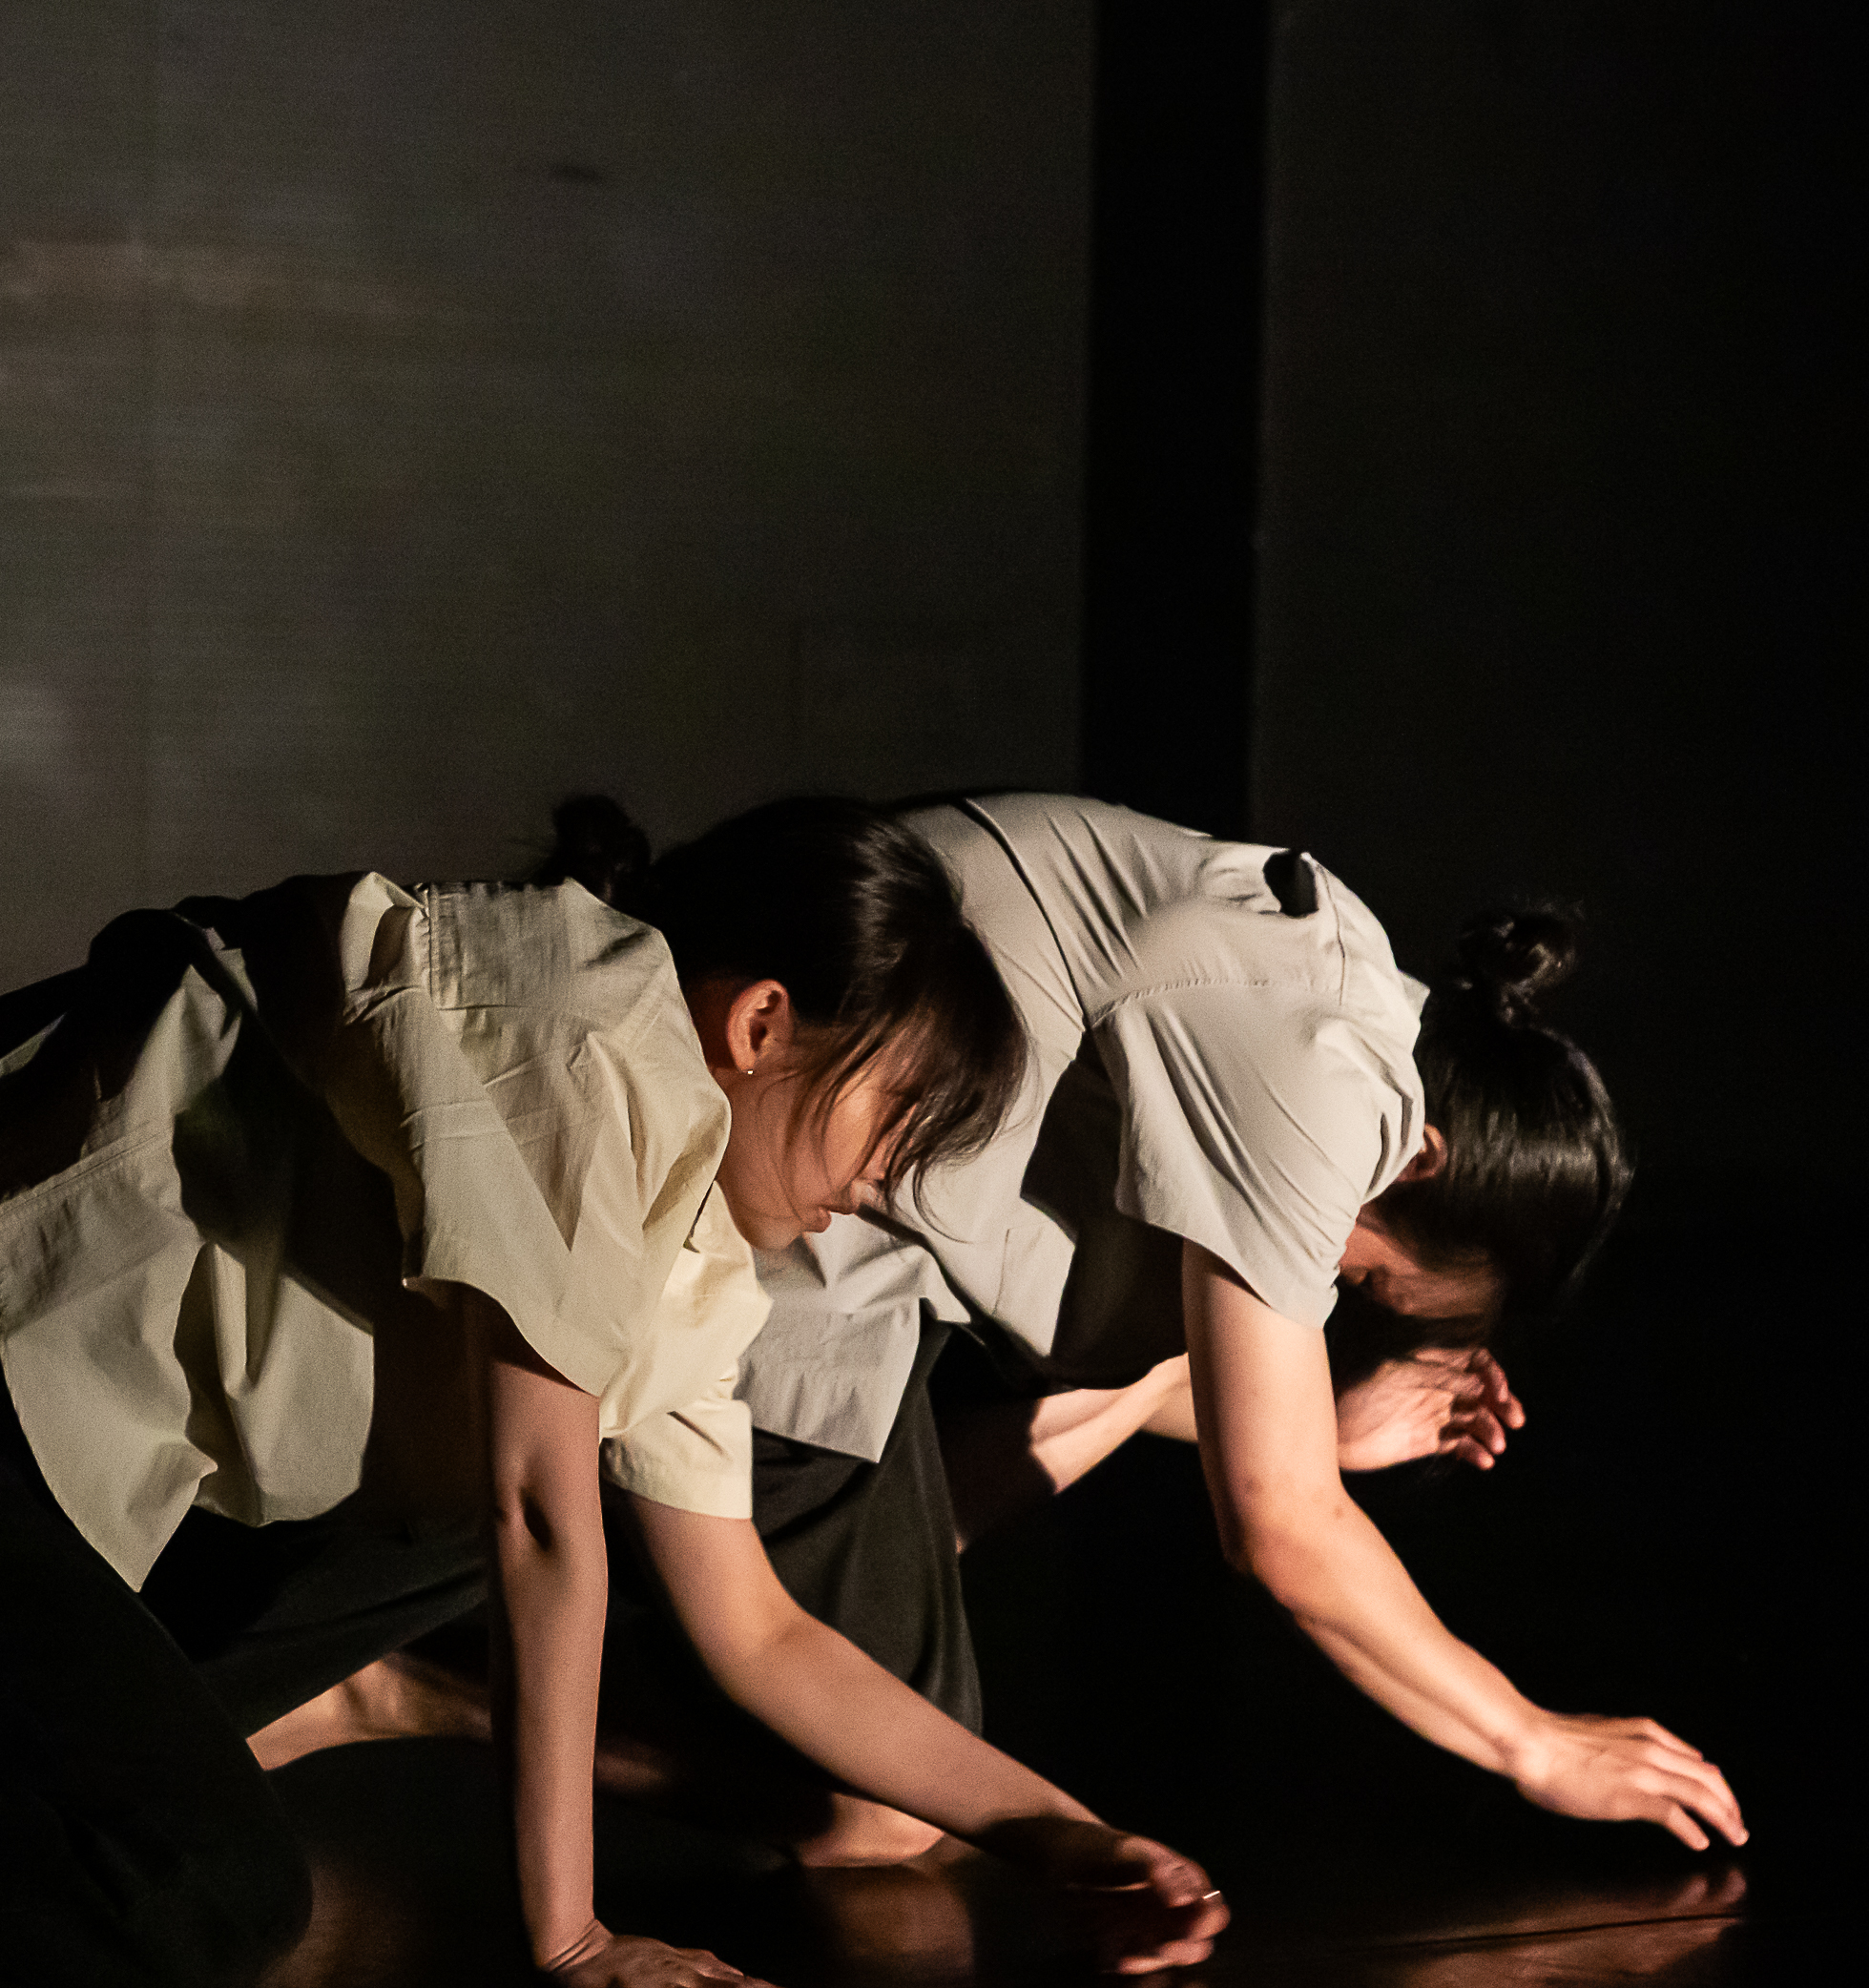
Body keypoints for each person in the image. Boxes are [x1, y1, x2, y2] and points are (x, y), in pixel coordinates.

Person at [0, 798, 1228, 1988]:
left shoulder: (688, 1251)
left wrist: (1063, 1835)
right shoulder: (577, 1034)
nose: (884, 1191)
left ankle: (168, 1732)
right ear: (760, 1023)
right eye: (892, 1126)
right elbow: (537, 1523)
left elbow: (755, 1628)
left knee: (208, 1773)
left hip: (47, 1468)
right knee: (198, 1903)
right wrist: (569, 1934)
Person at [741, 793, 1745, 1856]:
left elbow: (1185, 1384)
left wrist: (1321, 1427)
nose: (1336, 1289)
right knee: (882, 1811)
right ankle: (611, 1725)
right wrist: (1531, 1741)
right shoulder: (1320, 1083)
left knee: (1164, 1330)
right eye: (1370, 1279)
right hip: (776, 1179)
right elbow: (1278, 1524)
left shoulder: (1372, 1017)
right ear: (1422, 1162)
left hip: (851, 1212)